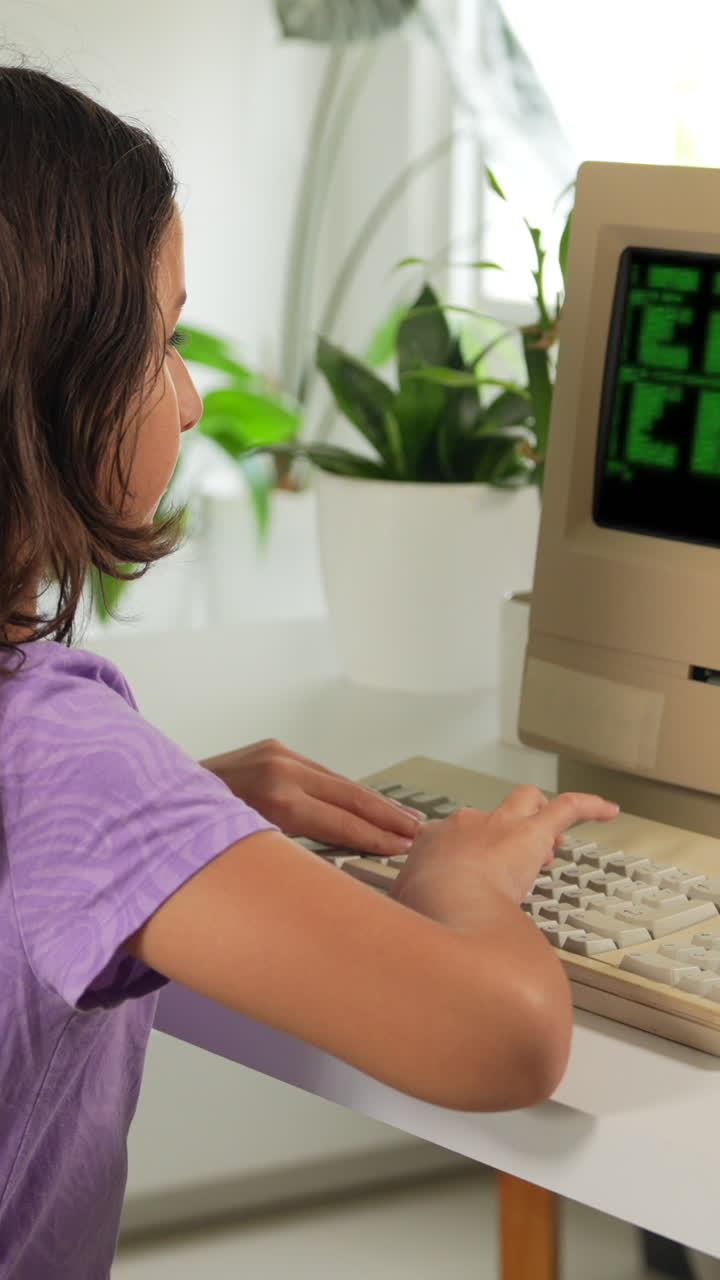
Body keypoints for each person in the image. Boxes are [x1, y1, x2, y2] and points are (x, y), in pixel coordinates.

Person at [0, 64, 619, 1279]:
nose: (186, 400)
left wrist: (173, 812)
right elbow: (505, 1037)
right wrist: (464, 879)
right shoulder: (65, 762)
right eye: (164, 339)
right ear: (47, 387)